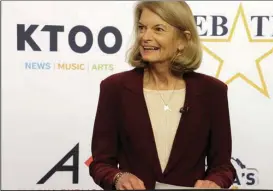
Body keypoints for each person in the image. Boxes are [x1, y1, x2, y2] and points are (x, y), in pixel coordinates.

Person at [89, 1, 236, 190]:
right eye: (142, 28)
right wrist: (118, 177)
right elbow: (100, 163)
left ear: (183, 40)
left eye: (158, 29)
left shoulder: (212, 92)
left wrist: (214, 182)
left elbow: (223, 167)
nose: (145, 37)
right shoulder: (114, 88)